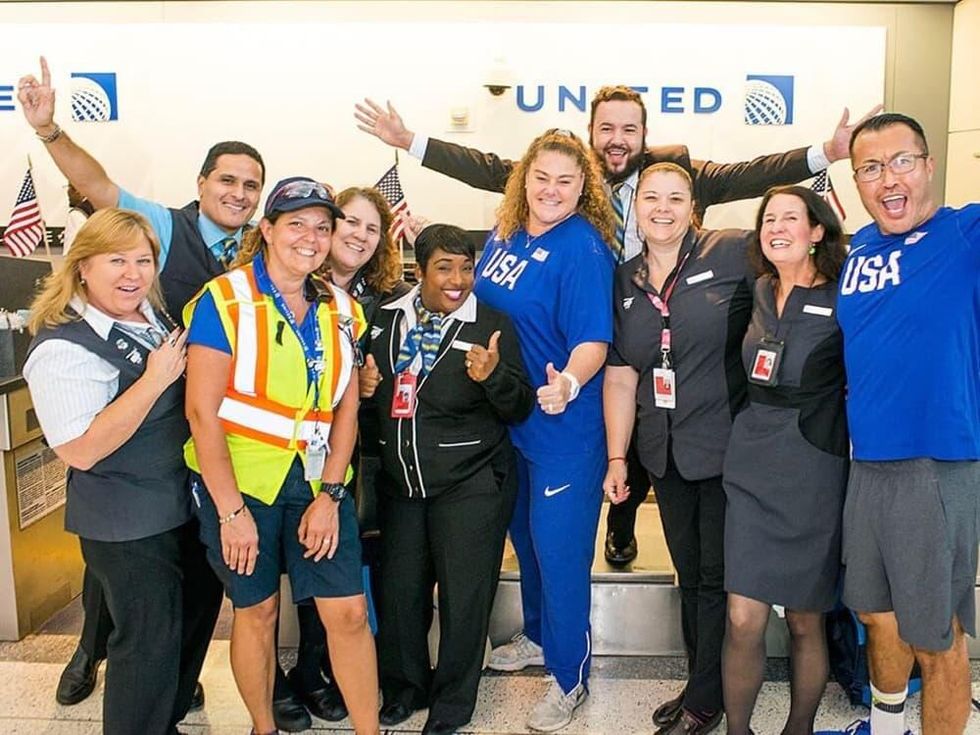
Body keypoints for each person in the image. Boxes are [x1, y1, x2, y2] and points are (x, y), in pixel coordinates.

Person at [354, 87, 879, 566]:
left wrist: (826, 153)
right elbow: (486, 167)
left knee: (652, 432)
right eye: (606, 128)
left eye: (629, 129)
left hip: (657, 326)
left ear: (645, 135)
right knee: (605, 439)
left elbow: (749, 173)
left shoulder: (674, 174)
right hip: (586, 328)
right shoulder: (567, 178)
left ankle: (622, 527)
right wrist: (409, 140)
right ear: (591, 133)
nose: (617, 139)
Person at [182, 176, 380, 735]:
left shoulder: (344, 310)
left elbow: (344, 409)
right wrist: (230, 512)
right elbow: (202, 414)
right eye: (296, 224)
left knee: (347, 611)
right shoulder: (224, 301)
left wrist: (332, 493)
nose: (310, 238)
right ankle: (262, 727)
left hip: (318, 481)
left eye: (322, 227)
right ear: (266, 230)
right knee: (259, 611)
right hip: (241, 485)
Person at [22, 209, 223, 734]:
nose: (133, 272)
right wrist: (154, 382)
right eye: (117, 260)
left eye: (143, 260)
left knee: (192, 622)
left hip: (182, 506)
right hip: (127, 522)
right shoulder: (63, 345)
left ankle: (168, 720)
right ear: (83, 267)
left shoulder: (150, 317)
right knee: (147, 642)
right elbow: (81, 450)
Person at [816, 114, 980, 735]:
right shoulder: (860, 248)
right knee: (876, 614)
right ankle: (886, 726)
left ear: (930, 164)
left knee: (936, 635)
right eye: (871, 168)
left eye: (903, 162)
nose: (889, 179)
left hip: (935, 466)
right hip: (869, 465)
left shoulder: (964, 233)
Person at [602, 162, 760, 735]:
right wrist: (619, 458)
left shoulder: (732, 252)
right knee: (688, 576)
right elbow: (621, 374)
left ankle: (705, 699)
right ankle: (702, 683)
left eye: (675, 198)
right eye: (651, 198)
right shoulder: (625, 278)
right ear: (635, 207)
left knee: (716, 578)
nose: (661, 208)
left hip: (727, 449)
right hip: (662, 452)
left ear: (693, 206)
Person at [467, 129, 615, 732]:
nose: (552, 190)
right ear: (523, 178)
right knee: (525, 544)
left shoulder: (583, 248)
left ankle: (568, 676)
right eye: (542, 178)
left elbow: (592, 341)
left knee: (558, 555)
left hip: (563, 428)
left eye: (567, 181)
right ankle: (536, 635)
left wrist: (571, 383)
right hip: (509, 422)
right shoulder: (506, 231)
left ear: (585, 188)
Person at [364, 223, 534, 735]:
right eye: (445, 267)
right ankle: (404, 688)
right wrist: (368, 388)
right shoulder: (385, 319)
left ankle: (454, 701)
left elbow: (520, 406)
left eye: (466, 266)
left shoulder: (491, 324)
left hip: (471, 484)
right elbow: (369, 404)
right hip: (401, 488)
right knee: (400, 594)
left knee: (464, 598)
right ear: (421, 270)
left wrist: (494, 377)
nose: (458, 279)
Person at [720, 186, 848, 735]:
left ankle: (798, 729)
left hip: (814, 468)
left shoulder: (845, 298)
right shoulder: (754, 290)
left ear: (816, 231)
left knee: (803, 618)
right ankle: (738, 730)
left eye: (791, 218)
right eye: (769, 218)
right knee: (742, 615)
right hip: (749, 464)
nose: (777, 226)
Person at [282, 185, 412, 723]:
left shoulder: (383, 299)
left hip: (360, 457)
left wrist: (370, 387)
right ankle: (298, 675)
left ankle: (328, 669)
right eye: (351, 223)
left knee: (345, 567)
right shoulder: (290, 288)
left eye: (373, 229)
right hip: (288, 455)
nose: (360, 236)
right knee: (295, 573)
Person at [17, 56, 265, 322]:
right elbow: (96, 185)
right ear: (201, 184)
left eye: (251, 186)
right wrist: (47, 129)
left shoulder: (265, 240)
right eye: (227, 181)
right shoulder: (164, 226)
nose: (239, 194)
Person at [63, 183, 94, 253]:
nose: (68, 192)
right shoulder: (99, 208)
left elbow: (71, 251)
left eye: (70, 188)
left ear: (78, 190)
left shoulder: (77, 214)